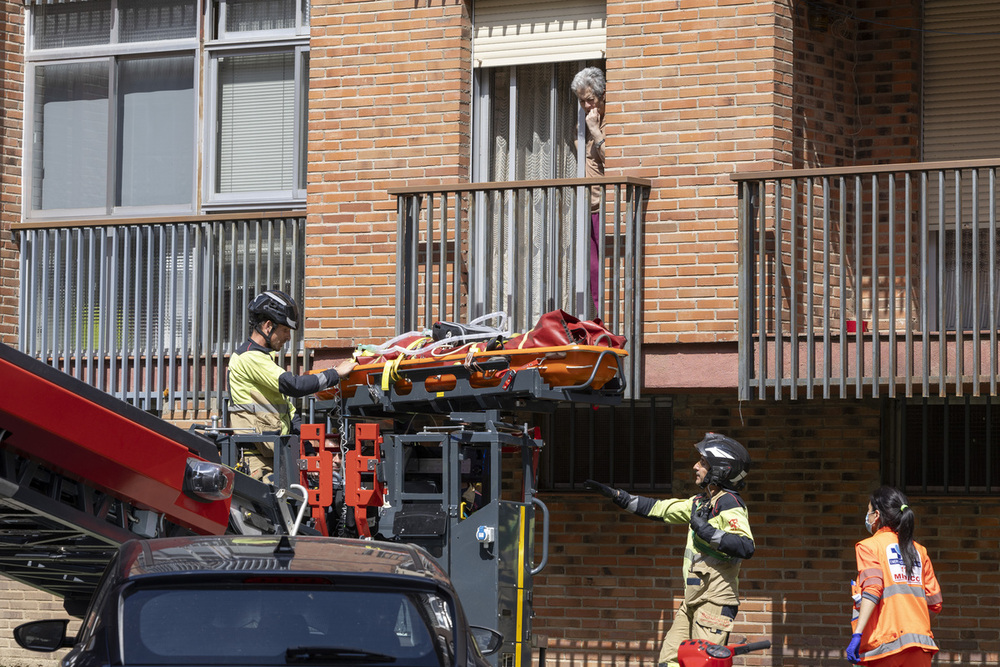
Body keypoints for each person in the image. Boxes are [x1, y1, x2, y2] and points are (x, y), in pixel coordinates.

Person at [585, 433, 754, 667]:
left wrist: (705, 531)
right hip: (692, 599)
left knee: (701, 663)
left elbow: (745, 546)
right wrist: (618, 496)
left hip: (715, 601)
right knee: (669, 662)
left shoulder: (729, 503)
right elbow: (660, 509)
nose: (696, 466)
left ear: (720, 469)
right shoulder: (699, 502)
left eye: (703, 462)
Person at [228, 289, 356, 481]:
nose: (288, 337)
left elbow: (290, 414)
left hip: (275, 455)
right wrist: (335, 374)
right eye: (285, 330)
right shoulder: (249, 358)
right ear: (268, 326)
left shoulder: (265, 360)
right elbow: (293, 385)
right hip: (257, 460)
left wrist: (309, 453)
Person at [846, 487, 942, 666]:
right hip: (920, 646)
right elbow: (935, 602)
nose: (867, 517)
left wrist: (857, 634)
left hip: (886, 647)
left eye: (868, 511)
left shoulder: (869, 546)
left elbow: (873, 589)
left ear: (877, 515)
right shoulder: (919, 551)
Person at [570, 66, 607, 314]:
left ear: (602, 96)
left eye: (590, 100)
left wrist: (595, 131)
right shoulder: (583, 124)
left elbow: (613, 159)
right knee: (593, 272)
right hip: (588, 206)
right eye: (582, 101)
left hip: (606, 208)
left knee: (604, 270)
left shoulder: (607, 122)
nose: (585, 106)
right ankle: (598, 320)